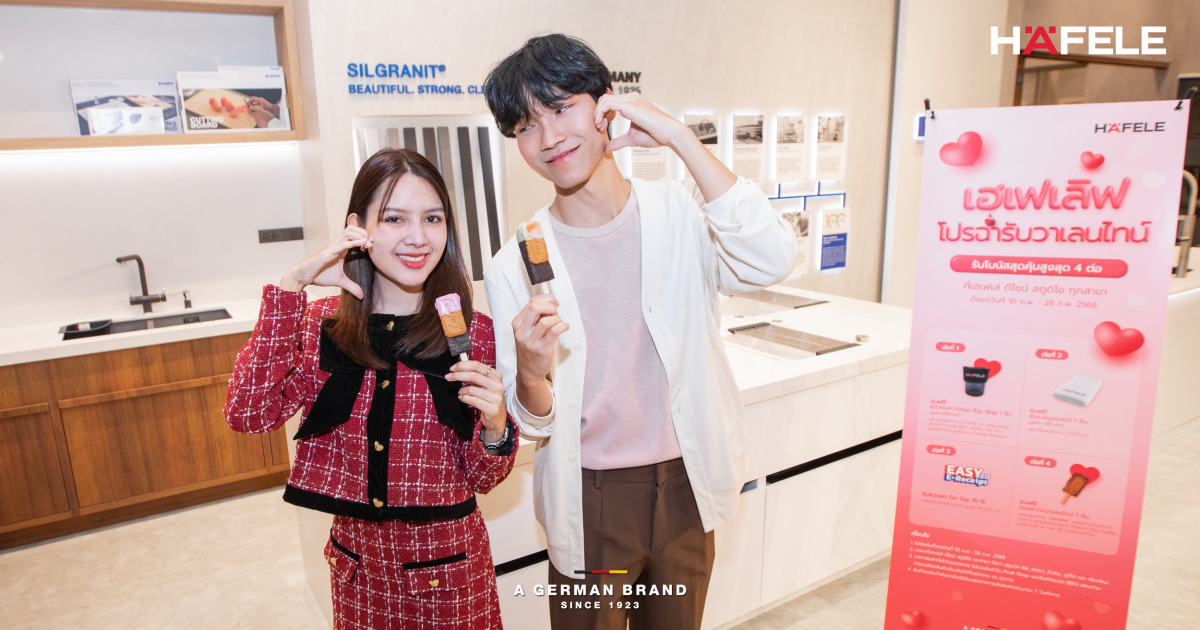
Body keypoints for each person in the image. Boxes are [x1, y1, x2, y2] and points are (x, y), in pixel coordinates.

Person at [482, 34, 795, 630]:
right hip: (590, 496)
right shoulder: (513, 264)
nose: (548, 137)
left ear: (605, 104)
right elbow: (532, 422)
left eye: (561, 108)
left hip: (685, 484)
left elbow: (771, 259)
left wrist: (680, 139)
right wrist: (529, 371)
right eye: (525, 126)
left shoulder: (681, 213)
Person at [225, 148, 518, 630]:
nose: (418, 237)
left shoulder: (473, 334)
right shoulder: (321, 326)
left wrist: (494, 426)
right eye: (395, 218)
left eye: (432, 218)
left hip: (449, 576)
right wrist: (291, 288)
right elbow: (248, 414)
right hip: (357, 575)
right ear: (358, 228)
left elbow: (482, 477)